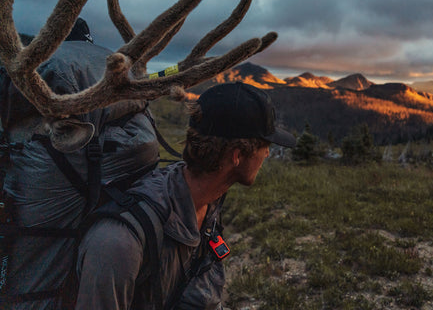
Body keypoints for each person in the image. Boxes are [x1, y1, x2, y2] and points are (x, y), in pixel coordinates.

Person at [74, 82, 296, 310]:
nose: (268, 153)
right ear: (237, 156)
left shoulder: (210, 204)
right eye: (264, 146)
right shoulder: (119, 243)